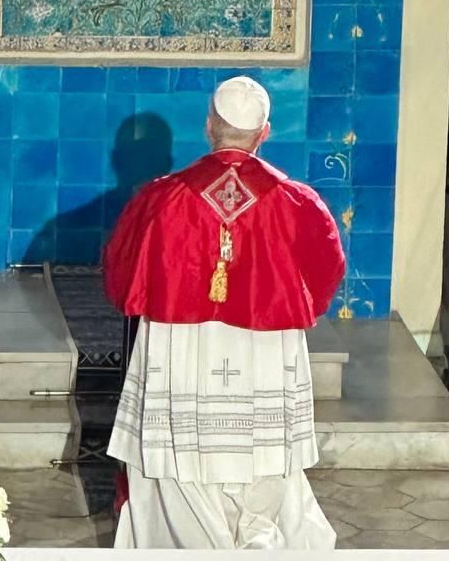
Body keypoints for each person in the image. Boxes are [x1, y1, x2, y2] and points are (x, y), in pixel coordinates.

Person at [103, 75, 345, 550]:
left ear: (209, 126)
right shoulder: (297, 202)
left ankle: (192, 544)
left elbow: (121, 275)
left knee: (182, 460)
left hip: (182, 348)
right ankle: (258, 537)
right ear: (265, 133)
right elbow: (327, 269)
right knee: (260, 455)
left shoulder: (160, 198)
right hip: (263, 352)